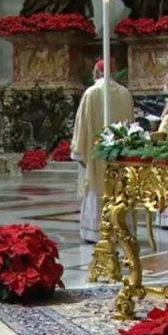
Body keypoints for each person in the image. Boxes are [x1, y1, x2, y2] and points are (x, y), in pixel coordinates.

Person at [70, 60, 134, 243]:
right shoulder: (125, 94)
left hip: (93, 155)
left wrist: (78, 151)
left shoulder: (91, 93)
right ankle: (120, 227)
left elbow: (81, 125)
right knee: (116, 188)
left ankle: (94, 230)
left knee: (91, 186)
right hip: (118, 155)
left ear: (98, 72)